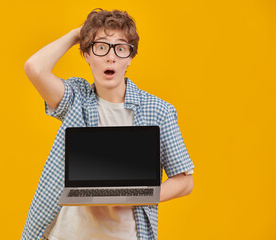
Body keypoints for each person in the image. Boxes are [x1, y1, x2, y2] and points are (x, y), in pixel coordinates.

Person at [22, 8, 195, 240]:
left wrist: (134, 195)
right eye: (101, 47)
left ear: (130, 57)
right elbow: (35, 68)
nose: (110, 57)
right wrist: (77, 35)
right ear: (86, 54)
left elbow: (184, 182)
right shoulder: (76, 99)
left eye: (121, 49)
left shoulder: (159, 111)